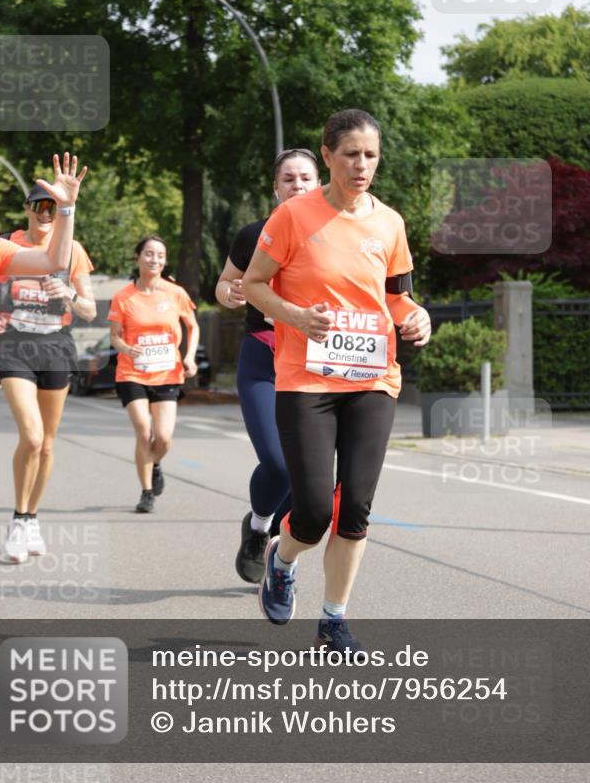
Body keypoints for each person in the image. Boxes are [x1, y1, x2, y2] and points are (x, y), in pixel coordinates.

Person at [242, 109, 432, 654]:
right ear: (327, 155)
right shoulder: (293, 217)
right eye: (351, 154)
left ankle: (333, 620)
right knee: (314, 512)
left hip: (373, 378)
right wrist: (296, 316)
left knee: (355, 509)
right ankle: (282, 559)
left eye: (370, 155)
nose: (361, 165)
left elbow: (396, 297)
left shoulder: (389, 223)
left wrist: (416, 316)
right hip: (306, 381)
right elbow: (254, 284)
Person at [0, 149, 86, 524]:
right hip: (13, 352)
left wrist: (67, 209)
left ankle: (25, 518)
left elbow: (53, 262)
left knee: (40, 440)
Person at [215, 149, 320, 583]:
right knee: (278, 463)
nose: (298, 186)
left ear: (319, 184)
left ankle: (280, 550)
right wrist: (230, 294)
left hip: (315, 363)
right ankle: (258, 528)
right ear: (275, 188)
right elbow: (224, 284)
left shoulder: (338, 235)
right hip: (264, 358)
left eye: (306, 178)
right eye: (289, 179)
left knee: (306, 472)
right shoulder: (254, 235)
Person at [0, 183, 96, 562]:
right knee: (32, 436)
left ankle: (30, 518)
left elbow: (89, 310)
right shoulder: (7, 245)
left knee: (48, 443)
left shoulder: (73, 249)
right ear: (27, 209)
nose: (46, 213)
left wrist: (70, 294)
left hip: (56, 346)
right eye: (39, 206)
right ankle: (19, 519)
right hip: (15, 346)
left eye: (52, 207)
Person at [108, 235, 199, 514]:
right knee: (144, 431)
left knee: (164, 437)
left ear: (165, 261)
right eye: (148, 254)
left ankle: (155, 463)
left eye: (160, 255)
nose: (154, 260)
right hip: (132, 373)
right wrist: (126, 348)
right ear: (138, 257)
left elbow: (193, 326)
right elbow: (114, 336)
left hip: (167, 374)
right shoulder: (123, 297)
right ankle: (147, 492)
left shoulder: (175, 293)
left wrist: (189, 356)